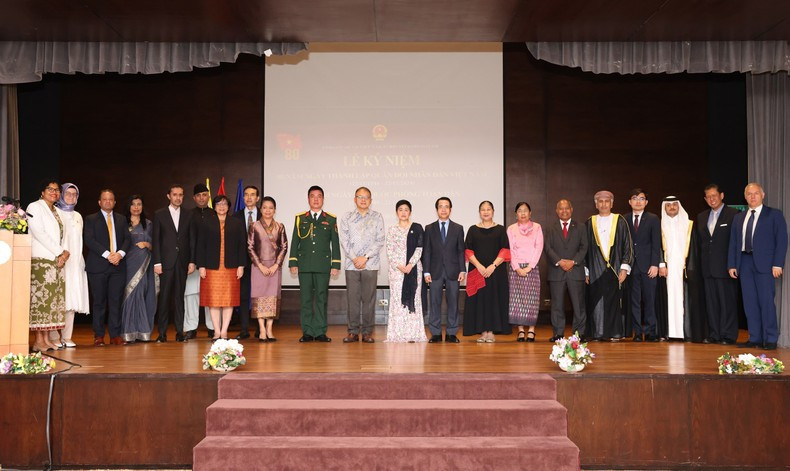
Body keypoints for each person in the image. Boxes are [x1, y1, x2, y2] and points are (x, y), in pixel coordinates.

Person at [728, 182, 787, 351]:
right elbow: (734, 242)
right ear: (745, 197)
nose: (752, 196)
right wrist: (732, 264)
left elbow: (781, 241)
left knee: (766, 302)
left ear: (763, 195)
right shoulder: (739, 217)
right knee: (749, 302)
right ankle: (754, 337)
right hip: (744, 263)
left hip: (766, 265)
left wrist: (778, 263)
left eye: (755, 193)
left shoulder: (774, 215)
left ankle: (770, 339)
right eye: (749, 194)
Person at [288, 185, 341, 343]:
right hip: (304, 265)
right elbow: (295, 241)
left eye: (319, 196)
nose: (316, 199)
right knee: (305, 299)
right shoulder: (300, 218)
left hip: (323, 265)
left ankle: (320, 331)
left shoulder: (330, 219)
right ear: (308, 199)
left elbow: (335, 244)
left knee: (321, 298)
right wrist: (293, 261)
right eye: (313, 196)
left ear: (323, 199)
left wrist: (335, 264)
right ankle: (307, 331)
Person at [83, 189, 131, 346]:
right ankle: (99, 335)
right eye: (105, 199)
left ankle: (115, 335)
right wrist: (108, 254)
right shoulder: (90, 219)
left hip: (118, 266)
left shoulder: (122, 219)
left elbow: (127, 240)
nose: (108, 202)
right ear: (99, 202)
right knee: (99, 302)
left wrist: (120, 254)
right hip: (98, 266)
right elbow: (89, 240)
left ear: (115, 202)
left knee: (116, 301)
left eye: (111, 199)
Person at [26, 179, 68, 352]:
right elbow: (39, 233)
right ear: (42, 192)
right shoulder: (34, 207)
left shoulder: (59, 211)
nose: (54, 192)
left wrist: (64, 253)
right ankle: (38, 341)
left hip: (56, 262)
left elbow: (64, 236)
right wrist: (59, 251)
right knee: (41, 301)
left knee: (51, 302)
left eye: (57, 190)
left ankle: (45, 340)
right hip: (41, 260)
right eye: (50, 189)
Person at [585, 190, 633, 341]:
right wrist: (586, 271)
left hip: (616, 267)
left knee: (614, 302)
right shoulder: (589, 222)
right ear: (596, 204)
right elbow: (584, 249)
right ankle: (598, 333)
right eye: (600, 201)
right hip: (595, 268)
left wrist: (625, 268)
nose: (604, 204)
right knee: (596, 300)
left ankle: (615, 333)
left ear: (612, 203)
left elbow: (628, 245)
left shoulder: (620, 220)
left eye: (607, 201)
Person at [197, 195, 247, 340]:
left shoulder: (236, 223)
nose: (222, 206)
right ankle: (216, 331)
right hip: (211, 267)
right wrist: (201, 265)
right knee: (213, 300)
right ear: (214, 206)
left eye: (224, 204)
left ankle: (224, 331)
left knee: (228, 300)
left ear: (229, 206)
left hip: (230, 267)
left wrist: (241, 265)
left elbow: (241, 245)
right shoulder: (206, 222)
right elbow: (201, 245)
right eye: (219, 204)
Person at [339, 187, 385, 343]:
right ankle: (352, 331)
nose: (363, 200)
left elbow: (380, 240)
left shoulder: (377, 217)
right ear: (354, 199)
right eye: (360, 197)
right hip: (351, 265)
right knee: (352, 299)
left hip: (370, 264)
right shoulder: (347, 217)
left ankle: (367, 332)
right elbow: (344, 240)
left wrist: (364, 257)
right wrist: (354, 258)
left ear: (371, 200)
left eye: (366, 197)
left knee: (369, 299)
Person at [696, 184, 739, 345]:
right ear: (705, 199)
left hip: (726, 268)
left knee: (727, 303)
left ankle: (728, 335)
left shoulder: (734, 214)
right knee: (711, 303)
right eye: (708, 196)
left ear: (722, 195)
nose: (712, 199)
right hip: (707, 268)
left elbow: (735, 242)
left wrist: (733, 264)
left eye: (714, 195)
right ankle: (714, 334)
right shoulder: (701, 217)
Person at [152, 184, 195, 343]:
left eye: (181, 195)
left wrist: (192, 261)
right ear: (168, 196)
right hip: (165, 262)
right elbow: (156, 240)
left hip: (183, 262)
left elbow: (192, 239)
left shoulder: (189, 214)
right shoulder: (159, 214)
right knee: (164, 299)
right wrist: (157, 262)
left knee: (179, 298)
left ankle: (179, 332)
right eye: (175, 194)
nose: (178, 197)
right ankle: (162, 333)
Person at [462, 201, 511, 342]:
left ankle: (492, 332)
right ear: (479, 212)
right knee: (480, 300)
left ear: (493, 211)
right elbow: (468, 250)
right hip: (478, 271)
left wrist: (492, 266)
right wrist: (479, 266)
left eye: (488, 209)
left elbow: (505, 250)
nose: (486, 212)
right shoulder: (473, 229)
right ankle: (483, 332)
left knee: (494, 299)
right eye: (483, 209)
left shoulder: (501, 230)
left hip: (496, 272)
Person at [658, 196, 704, 341]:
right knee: (668, 299)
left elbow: (695, 250)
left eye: (674, 205)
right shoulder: (659, 225)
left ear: (679, 206)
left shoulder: (689, 225)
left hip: (684, 269)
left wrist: (690, 269)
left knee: (685, 299)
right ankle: (669, 333)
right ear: (664, 208)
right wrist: (661, 264)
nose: (671, 207)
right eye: (668, 205)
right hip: (666, 270)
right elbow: (657, 248)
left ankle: (686, 333)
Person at [50, 183, 89, 348]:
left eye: (74, 194)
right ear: (61, 194)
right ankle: (53, 337)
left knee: (72, 300)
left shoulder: (78, 216)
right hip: (60, 260)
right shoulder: (55, 213)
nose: (71, 197)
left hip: (75, 262)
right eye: (68, 193)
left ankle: (67, 336)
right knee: (58, 299)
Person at [422, 197, 466, 343]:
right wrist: (426, 271)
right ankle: (435, 333)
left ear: (450, 209)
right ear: (436, 210)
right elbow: (426, 251)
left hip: (453, 270)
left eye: (446, 206)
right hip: (434, 271)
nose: (443, 209)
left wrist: (462, 270)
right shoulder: (429, 228)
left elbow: (461, 250)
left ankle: (451, 333)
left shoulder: (458, 228)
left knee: (453, 302)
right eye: (440, 206)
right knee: (434, 302)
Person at [544, 199, 588, 342]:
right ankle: (558, 333)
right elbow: (548, 248)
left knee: (578, 305)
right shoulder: (551, 228)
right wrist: (560, 262)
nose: (564, 211)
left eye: (566, 208)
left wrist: (573, 262)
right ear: (557, 211)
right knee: (557, 305)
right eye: (561, 209)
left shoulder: (581, 227)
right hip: (557, 272)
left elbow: (584, 247)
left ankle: (578, 333)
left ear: (571, 209)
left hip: (575, 271)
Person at [385, 200, 427, 343]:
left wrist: (410, 264)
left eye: (406, 210)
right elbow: (390, 250)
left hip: (414, 269)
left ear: (410, 212)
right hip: (397, 272)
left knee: (414, 299)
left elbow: (420, 248)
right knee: (398, 302)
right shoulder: (392, 229)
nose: (403, 212)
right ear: (397, 212)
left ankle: (413, 334)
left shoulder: (417, 228)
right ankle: (397, 334)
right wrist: (400, 266)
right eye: (400, 210)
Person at [248, 196, 288, 342]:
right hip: (259, 267)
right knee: (260, 296)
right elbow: (250, 247)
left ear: (275, 210)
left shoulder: (280, 226)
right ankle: (262, 330)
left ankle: (270, 329)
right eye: (265, 207)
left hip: (274, 267)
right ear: (260, 209)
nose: (268, 210)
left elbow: (284, 247)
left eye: (271, 208)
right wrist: (260, 265)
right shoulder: (254, 226)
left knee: (272, 298)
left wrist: (277, 264)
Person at [624, 188, 661, 342]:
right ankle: (637, 332)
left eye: (641, 198)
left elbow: (656, 243)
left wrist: (655, 264)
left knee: (649, 299)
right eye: (635, 198)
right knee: (634, 301)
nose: (638, 201)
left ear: (646, 202)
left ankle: (651, 331)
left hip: (648, 267)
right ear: (630, 202)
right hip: (632, 266)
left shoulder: (653, 219)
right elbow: (623, 244)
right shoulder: (624, 219)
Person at [121, 195, 157, 343]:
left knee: (141, 295)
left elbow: (156, 245)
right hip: (126, 264)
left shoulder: (148, 224)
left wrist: (147, 245)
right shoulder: (122, 222)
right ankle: (127, 332)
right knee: (127, 295)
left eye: (139, 204)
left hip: (143, 265)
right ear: (129, 207)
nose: (136, 207)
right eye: (133, 204)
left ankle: (142, 331)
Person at [506, 202, 543, 342]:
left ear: (530, 213)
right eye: (520, 211)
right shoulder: (511, 229)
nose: (522, 213)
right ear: (516, 214)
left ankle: (532, 330)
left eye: (525, 210)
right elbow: (510, 250)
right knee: (517, 300)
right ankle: (521, 330)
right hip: (516, 268)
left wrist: (529, 267)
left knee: (532, 299)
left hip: (532, 268)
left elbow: (538, 247)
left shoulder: (537, 227)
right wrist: (517, 267)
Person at [184, 183, 215, 339]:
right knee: (191, 294)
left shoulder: (215, 214)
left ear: (209, 196)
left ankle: (212, 327)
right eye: (198, 195)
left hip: (211, 263)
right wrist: (190, 260)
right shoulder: (188, 215)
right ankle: (190, 327)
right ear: (194, 198)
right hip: (192, 262)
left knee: (211, 296)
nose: (202, 198)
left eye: (205, 194)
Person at [233, 185, 262, 340]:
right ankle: (244, 329)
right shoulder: (236, 216)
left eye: (252, 195)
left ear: (257, 198)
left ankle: (259, 328)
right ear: (243, 198)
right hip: (242, 262)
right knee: (243, 295)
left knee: (259, 296)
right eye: (246, 195)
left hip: (260, 262)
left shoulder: (263, 215)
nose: (249, 198)